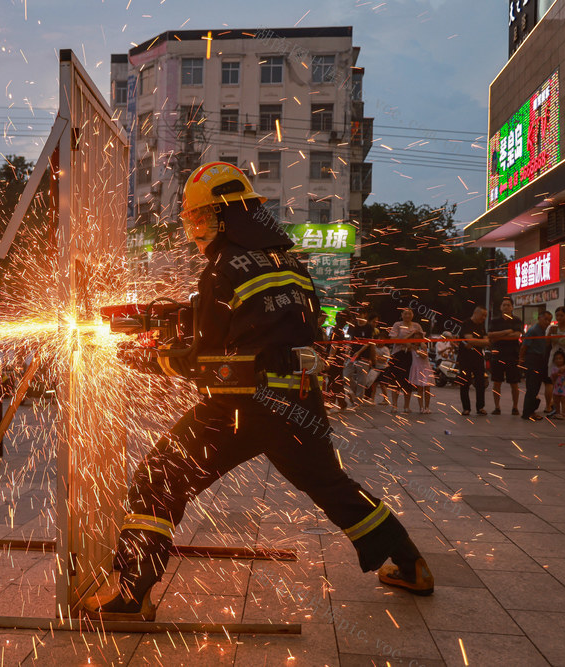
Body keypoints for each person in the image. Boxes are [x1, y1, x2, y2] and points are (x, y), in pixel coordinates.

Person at [81, 162, 434, 622]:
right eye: (192, 221)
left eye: (200, 219)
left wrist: (145, 358)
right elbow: (281, 330)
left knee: (159, 477)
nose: (194, 231)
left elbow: (206, 362)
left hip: (241, 407)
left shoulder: (221, 270)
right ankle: (411, 564)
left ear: (226, 218)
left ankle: (131, 595)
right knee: (332, 486)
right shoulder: (291, 263)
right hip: (299, 403)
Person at [487, 297, 522, 415]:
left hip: (513, 355)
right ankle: (497, 407)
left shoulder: (516, 320)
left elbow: (516, 335)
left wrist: (498, 336)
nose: (506, 307)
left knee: (514, 383)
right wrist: (507, 332)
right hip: (497, 355)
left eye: (508, 305)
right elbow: (490, 335)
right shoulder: (495, 321)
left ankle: (515, 407)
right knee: (497, 382)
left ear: (512, 307)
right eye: (504, 305)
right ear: (500, 307)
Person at [387, 308, 423, 414]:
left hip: (411, 355)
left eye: (409, 313)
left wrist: (410, 344)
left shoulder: (417, 326)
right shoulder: (397, 325)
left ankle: (406, 406)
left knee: (408, 382)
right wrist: (406, 340)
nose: (407, 315)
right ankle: (394, 405)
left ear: (413, 315)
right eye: (405, 313)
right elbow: (393, 340)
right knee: (396, 381)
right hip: (398, 355)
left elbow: (420, 340)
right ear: (402, 314)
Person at [519, 310, 552, 420]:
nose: (547, 322)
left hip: (540, 360)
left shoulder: (543, 331)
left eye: (549, 320)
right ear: (539, 318)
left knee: (536, 387)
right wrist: (521, 359)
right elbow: (524, 346)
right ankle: (527, 412)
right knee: (532, 387)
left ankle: (531, 411)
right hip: (532, 359)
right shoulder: (533, 330)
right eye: (545, 319)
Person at [457, 306, 489, 415]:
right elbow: (469, 339)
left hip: (478, 357)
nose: (484, 318)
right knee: (465, 382)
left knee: (480, 382)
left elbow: (487, 341)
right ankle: (466, 408)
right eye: (482, 315)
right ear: (475, 313)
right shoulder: (466, 323)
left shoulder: (481, 325)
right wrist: (478, 341)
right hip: (465, 358)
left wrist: (475, 342)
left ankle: (480, 407)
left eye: (485, 316)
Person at [344, 307, 377, 404]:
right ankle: (355, 393)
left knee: (362, 379)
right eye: (357, 315)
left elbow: (368, 342)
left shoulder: (369, 327)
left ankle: (358, 399)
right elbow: (350, 340)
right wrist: (347, 351)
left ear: (365, 315)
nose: (358, 317)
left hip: (364, 356)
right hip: (352, 355)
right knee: (346, 375)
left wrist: (359, 352)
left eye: (360, 315)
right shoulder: (353, 326)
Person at [408, 333, 434, 414]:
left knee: (427, 389)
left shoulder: (423, 346)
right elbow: (405, 342)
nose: (417, 341)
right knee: (419, 389)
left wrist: (418, 349)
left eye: (419, 339)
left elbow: (424, 356)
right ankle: (421, 407)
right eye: (415, 339)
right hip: (417, 369)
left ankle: (427, 407)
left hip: (425, 368)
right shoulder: (411, 347)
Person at [549, 349, 565, 420]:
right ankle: (558, 412)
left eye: (560, 358)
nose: (558, 360)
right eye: (556, 359)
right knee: (556, 400)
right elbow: (552, 378)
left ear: (564, 359)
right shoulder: (554, 369)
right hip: (557, 387)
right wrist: (557, 373)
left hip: (564, 387)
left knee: (563, 400)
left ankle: (563, 413)